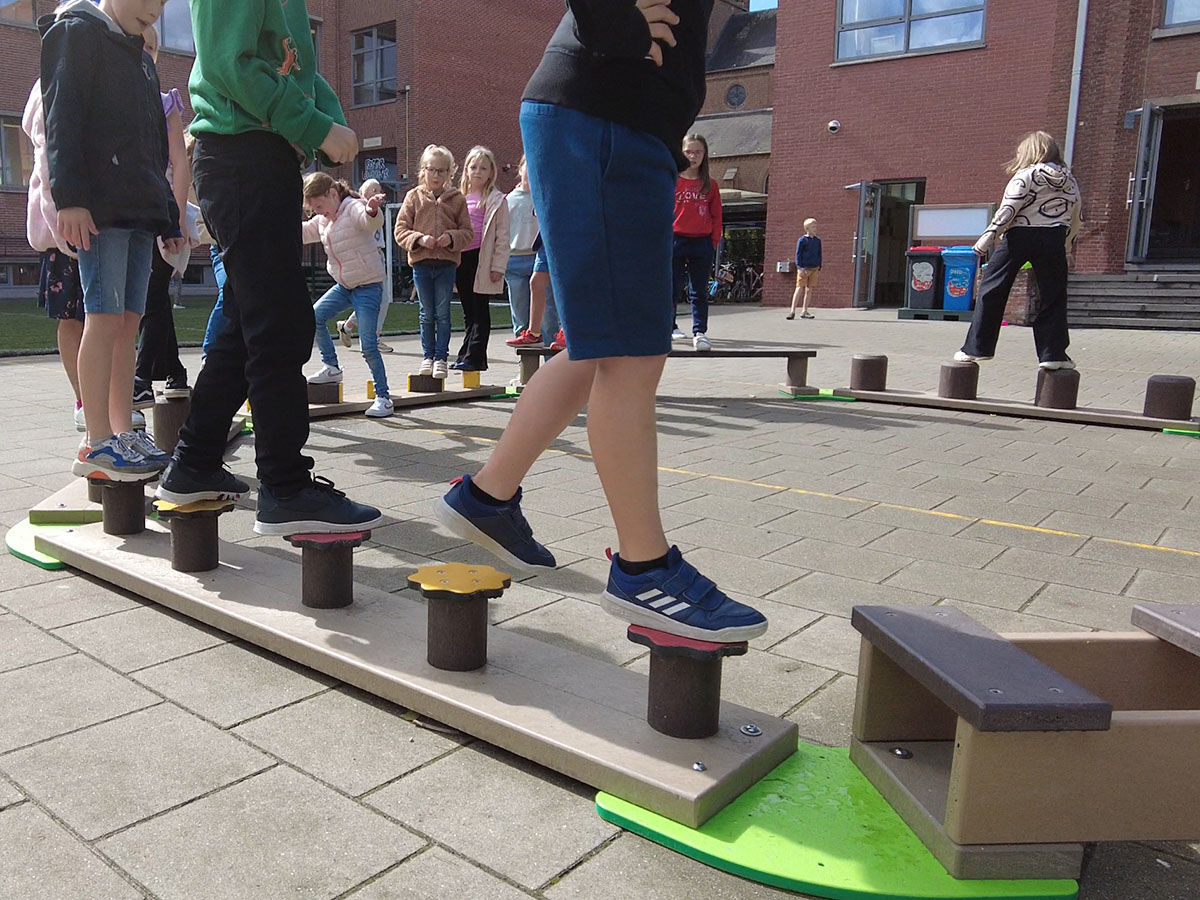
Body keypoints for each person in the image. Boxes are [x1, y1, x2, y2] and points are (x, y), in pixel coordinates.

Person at [434, 0, 768, 642]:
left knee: (601, 346)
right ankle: (644, 568)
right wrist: (613, 19)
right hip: (605, 114)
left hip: (619, 120)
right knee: (631, 352)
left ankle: (487, 496)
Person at [157, 0, 384, 539]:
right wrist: (317, 126)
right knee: (280, 325)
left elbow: (300, 72)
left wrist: (327, 122)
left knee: (245, 324)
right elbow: (229, 65)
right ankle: (284, 488)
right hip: (241, 156)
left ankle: (194, 463)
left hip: (263, 157)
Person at [41, 0, 183, 481]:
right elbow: (62, 117)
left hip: (139, 208)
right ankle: (96, 441)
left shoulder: (139, 57)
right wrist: (70, 199)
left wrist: (167, 216)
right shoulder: (76, 32)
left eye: (163, 2)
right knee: (102, 319)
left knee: (128, 322)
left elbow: (154, 147)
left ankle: (123, 431)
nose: (156, 11)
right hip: (101, 209)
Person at [956, 131, 1082, 370]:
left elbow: (1008, 209)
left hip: (1020, 235)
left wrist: (987, 238)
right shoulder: (1070, 180)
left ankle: (977, 348)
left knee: (992, 287)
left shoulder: (1026, 175)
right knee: (1053, 295)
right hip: (1054, 237)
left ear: (1030, 152)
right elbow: (1076, 214)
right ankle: (1053, 354)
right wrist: (1067, 245)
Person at [302, 173, 394, 419]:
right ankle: (332, 367)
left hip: (368, 286)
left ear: (333, 194)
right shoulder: (324, 221)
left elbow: (368, 222)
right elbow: (304, 232)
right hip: (344, 286)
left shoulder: (352, 207)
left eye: (319, 206)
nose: (318, 212)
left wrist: (372, 210)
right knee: (314, 317)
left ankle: (384, 398)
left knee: (368, 346)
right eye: (314, 209)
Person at [23, 77, 86, 432]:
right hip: (60, 231)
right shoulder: (54, 85)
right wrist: (59, 226)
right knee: (71, 317)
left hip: (92, 224)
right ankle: (83, 399)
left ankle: (100, 397)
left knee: (102, 317)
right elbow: (47, 164)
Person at [134, 25, 192, 406]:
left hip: (160, 211)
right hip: (130, 212)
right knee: (149, 296)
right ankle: (175, 370)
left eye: (152, 46)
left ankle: (140, 376)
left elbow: (180, 163)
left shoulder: (164, 102)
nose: (146, 50)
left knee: (152, 294)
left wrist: (178, 217)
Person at [394, 144, 473, 381]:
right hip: (422, 264)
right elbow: (400, 230)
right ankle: (427, 356)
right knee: (426, 313)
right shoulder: (413, 197)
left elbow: (467, 232)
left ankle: (441, 358)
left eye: (441, 171)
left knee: (443, 313)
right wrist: (419, 239)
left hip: (446, 265)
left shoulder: (457, 199)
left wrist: (451, 237)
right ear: (423, 170)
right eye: (431, 170)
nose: (436, 175)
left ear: (449, 173)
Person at [450, 146, 510, 372]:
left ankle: (475, 357)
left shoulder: (496, 200)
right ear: (466, 170)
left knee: (480, 308)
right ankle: (467, 354)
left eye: (483, 168)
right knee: (468, 310)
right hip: (461, 258)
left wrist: (498, 267)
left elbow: (502, 237)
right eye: (473, 167)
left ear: (491, 172)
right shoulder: (458, 197)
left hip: (482, 259)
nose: (477, 172)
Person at [670, 133, 721, 351]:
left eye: (698, 152)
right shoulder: (673, 180)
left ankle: (699, 332)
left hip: (701, 242)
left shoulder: (710, 185)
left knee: (699, 290)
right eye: (689, 151)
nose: (693, 156)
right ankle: (669, 326)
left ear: (704, 154)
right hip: (675, 239)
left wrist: (713, 241)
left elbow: (716, 215)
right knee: (672, 287)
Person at [336, 177, 394, 354]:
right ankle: (372, 339)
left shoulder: (376, 212)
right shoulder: (358, 210)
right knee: (380, 299)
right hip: (366, 258)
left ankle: (347, 326)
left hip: (377, 255)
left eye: (379, 189)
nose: (378, 193)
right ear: (363, 193)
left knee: (376, 300)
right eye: (374, 190)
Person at [787, 218, 821, 320]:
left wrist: (819, 265)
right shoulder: (802, 240)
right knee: (799, 287)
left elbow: (819, 254)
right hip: (804, 268)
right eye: (813, 227)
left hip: (814, 268)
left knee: (809, 289)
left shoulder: (817, 241)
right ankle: (792, 311)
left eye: (815, 226)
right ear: (807, 228)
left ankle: (804, 311)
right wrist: (800, 268)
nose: (815, 228)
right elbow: (798, 255)